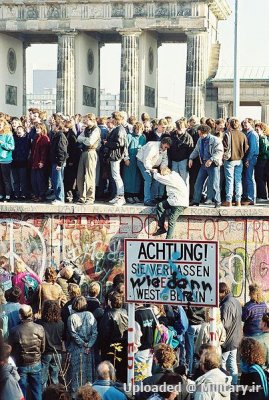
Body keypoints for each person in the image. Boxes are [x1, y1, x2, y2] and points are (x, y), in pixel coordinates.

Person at [9, 305, 45, 400]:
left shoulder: (14, 330)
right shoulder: (39, 328)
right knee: (37, 390)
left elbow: (11, 350)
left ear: (20, 315)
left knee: (21, 392)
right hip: (36, 362)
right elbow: (43, 348)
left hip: (21, 364)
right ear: (31, 314)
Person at [67, 296, 98, 398]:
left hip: (77, 349)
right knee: (88, 374)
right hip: (89, 349)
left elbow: (73, 334)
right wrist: (89, 345)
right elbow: (95, 332)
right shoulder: (90, 315)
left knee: (76, 374)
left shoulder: (71, 317)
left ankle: (76, 396)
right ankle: (89, 396)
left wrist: (83, 344)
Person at [189, 124, 223, 208]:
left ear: (206, 133)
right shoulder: (200, 140)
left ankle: (217, 201)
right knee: (198, 183)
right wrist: (191, 158)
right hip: (204, 164)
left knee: (214, 184)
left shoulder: (215, 140)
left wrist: (211, 159)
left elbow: (219, 152)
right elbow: (196, 150)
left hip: (213, 165)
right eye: (199, 133)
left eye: (201, 134)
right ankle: (196, 200)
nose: (199, 135)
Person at [99, 291, 128, 382]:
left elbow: (104, 334)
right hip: (124, 345)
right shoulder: (125, 312)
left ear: (110, 302)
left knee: (111, 370)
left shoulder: (108, 315)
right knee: (122, 369)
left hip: (110, 347)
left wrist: (101, 347)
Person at [152, 167, 189, 238]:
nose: (163, 177)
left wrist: (155, 172)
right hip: (173, 200)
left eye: (163, 175)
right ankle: (161, 228)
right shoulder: (173, 176)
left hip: (179, 203)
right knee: (160, 206)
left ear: (167, 173)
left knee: (171, 220)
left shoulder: (172, 177)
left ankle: (168, 239)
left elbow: (159, 178)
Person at [136, 137, 172, 206]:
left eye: (167, 148)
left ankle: (153, 199)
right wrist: (150, 169)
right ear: (163, 143)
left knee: (156, 179)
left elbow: (164, 160)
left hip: (152, 164)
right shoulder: (153, 147)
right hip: (142, 161)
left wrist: (162, 169)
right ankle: (147, 200)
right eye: (165, 147)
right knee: (148, 179)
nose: (166, 149)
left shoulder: (164, 149)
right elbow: (147, 159)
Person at [222, 118, 249, 207]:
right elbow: (246, 148)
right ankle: (238, 201)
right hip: (239, 160)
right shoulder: (243, 135)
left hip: (230, 160)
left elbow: (224, 148)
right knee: (238, 180)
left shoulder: (227, 134)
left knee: (229, 180)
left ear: (230, 125)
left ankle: (229, 200)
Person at [219, 282, 242, 384]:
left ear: (223, 292)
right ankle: (234, 384)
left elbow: (225, 324)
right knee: (232, 363)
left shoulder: (227, 304)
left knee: (222, 363)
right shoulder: (235, 301)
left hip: (228, 339)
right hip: (236, 337)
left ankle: (224, 384)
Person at [37, 301, 64, 388]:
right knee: (55, 379)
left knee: (43, 379)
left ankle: (44, 396)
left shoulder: (40, 323)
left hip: (45, 352)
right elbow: (63, 337)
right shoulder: (61, 323)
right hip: (57, 352)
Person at [103, 111, 128, 206]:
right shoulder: (119, 129)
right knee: (115, 176)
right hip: (115, 155)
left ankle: (121, 196)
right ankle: (119, 196)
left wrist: (107, 143)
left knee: (116, 176)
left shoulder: (119, 129)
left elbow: (119, 144)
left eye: (112, 118)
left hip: (116, 156)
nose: (111, 119)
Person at [77, 113, 100, 204]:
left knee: (90, 176)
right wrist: (85, 139)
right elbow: (78, 138)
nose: (85, 121)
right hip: (84, 152)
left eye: (86, 119)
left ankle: (90, 198)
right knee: (80, 176)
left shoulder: (96, 130)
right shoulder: (86, 129)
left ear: (91, 119)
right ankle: (82, 197)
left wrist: (84, 139)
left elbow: (90, 142)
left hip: (91, 152)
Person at [123, 121, 146, 204]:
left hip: (139, 160)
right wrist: (126, 158)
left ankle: (135, 195)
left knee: (137, 178)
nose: (138, 131)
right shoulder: (129, 136)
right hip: (130, 159)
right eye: (137, 129)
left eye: (140, 129)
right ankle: (128, 195)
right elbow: (125, 148)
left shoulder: (143, 138)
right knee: (129, 178)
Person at [169, 118, 194, 186]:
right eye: (178, 128)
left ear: (185, 128)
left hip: (184, 160)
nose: (180, 130)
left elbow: (191, 150)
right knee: (174, 180)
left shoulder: (189, 137)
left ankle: (185, 195)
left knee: (184, 180)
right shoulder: (172, 136)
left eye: (181, 128)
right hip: (174, 160)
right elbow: (169, 149)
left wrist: (189, 161)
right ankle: (175, 195)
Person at [30, 122, 50, 202]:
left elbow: (44, 152)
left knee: (40, 180)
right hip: (34, 162)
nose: (37, 129)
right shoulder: (36, 137)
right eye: (36, 128)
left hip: (40, 163)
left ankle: (41, 196)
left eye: (38, 128)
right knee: (34, 180)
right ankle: (37, 194)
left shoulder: (44, 138)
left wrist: (42, 161)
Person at [242, 118, 259, 205]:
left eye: (246, 123)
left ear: (250, 123)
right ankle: (247, 197)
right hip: (249, 157)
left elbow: (252, 149)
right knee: (247, 177)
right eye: (244, 122)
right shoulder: (248, 133)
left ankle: (251, 198)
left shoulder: (252, 134)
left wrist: (248, 159)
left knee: (249, 177)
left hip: (251, 158)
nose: (244, 124)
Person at [50, 121, 68, 205]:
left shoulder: (60, 136)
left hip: (58, 162)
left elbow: (62, 151)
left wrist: (60, 163)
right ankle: (57, 197)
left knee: (58, 180)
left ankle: (60, 198)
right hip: (55, 161)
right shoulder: (56, 136)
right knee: (55, 180)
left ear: (57, 127)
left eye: (53, 125)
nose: (52, 127)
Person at [11, 125, 30, 200]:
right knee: (16, 180)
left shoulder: (26, 139)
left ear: (23, 131)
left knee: (23, 180)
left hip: (23, 162)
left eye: (20, 130)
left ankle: (23, 194)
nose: (18, 131)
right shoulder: (14, 138)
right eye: (17, 130)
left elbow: (28, 150)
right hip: (14, 162)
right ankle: (16, 194)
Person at [0, 117, 15, 202]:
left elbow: (12, 147)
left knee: (6, 179)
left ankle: (8, 195)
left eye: (0, 125)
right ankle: (1, 194)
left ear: (4, 125)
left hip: (5, 160)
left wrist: (2, 143)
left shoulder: (8, 134)